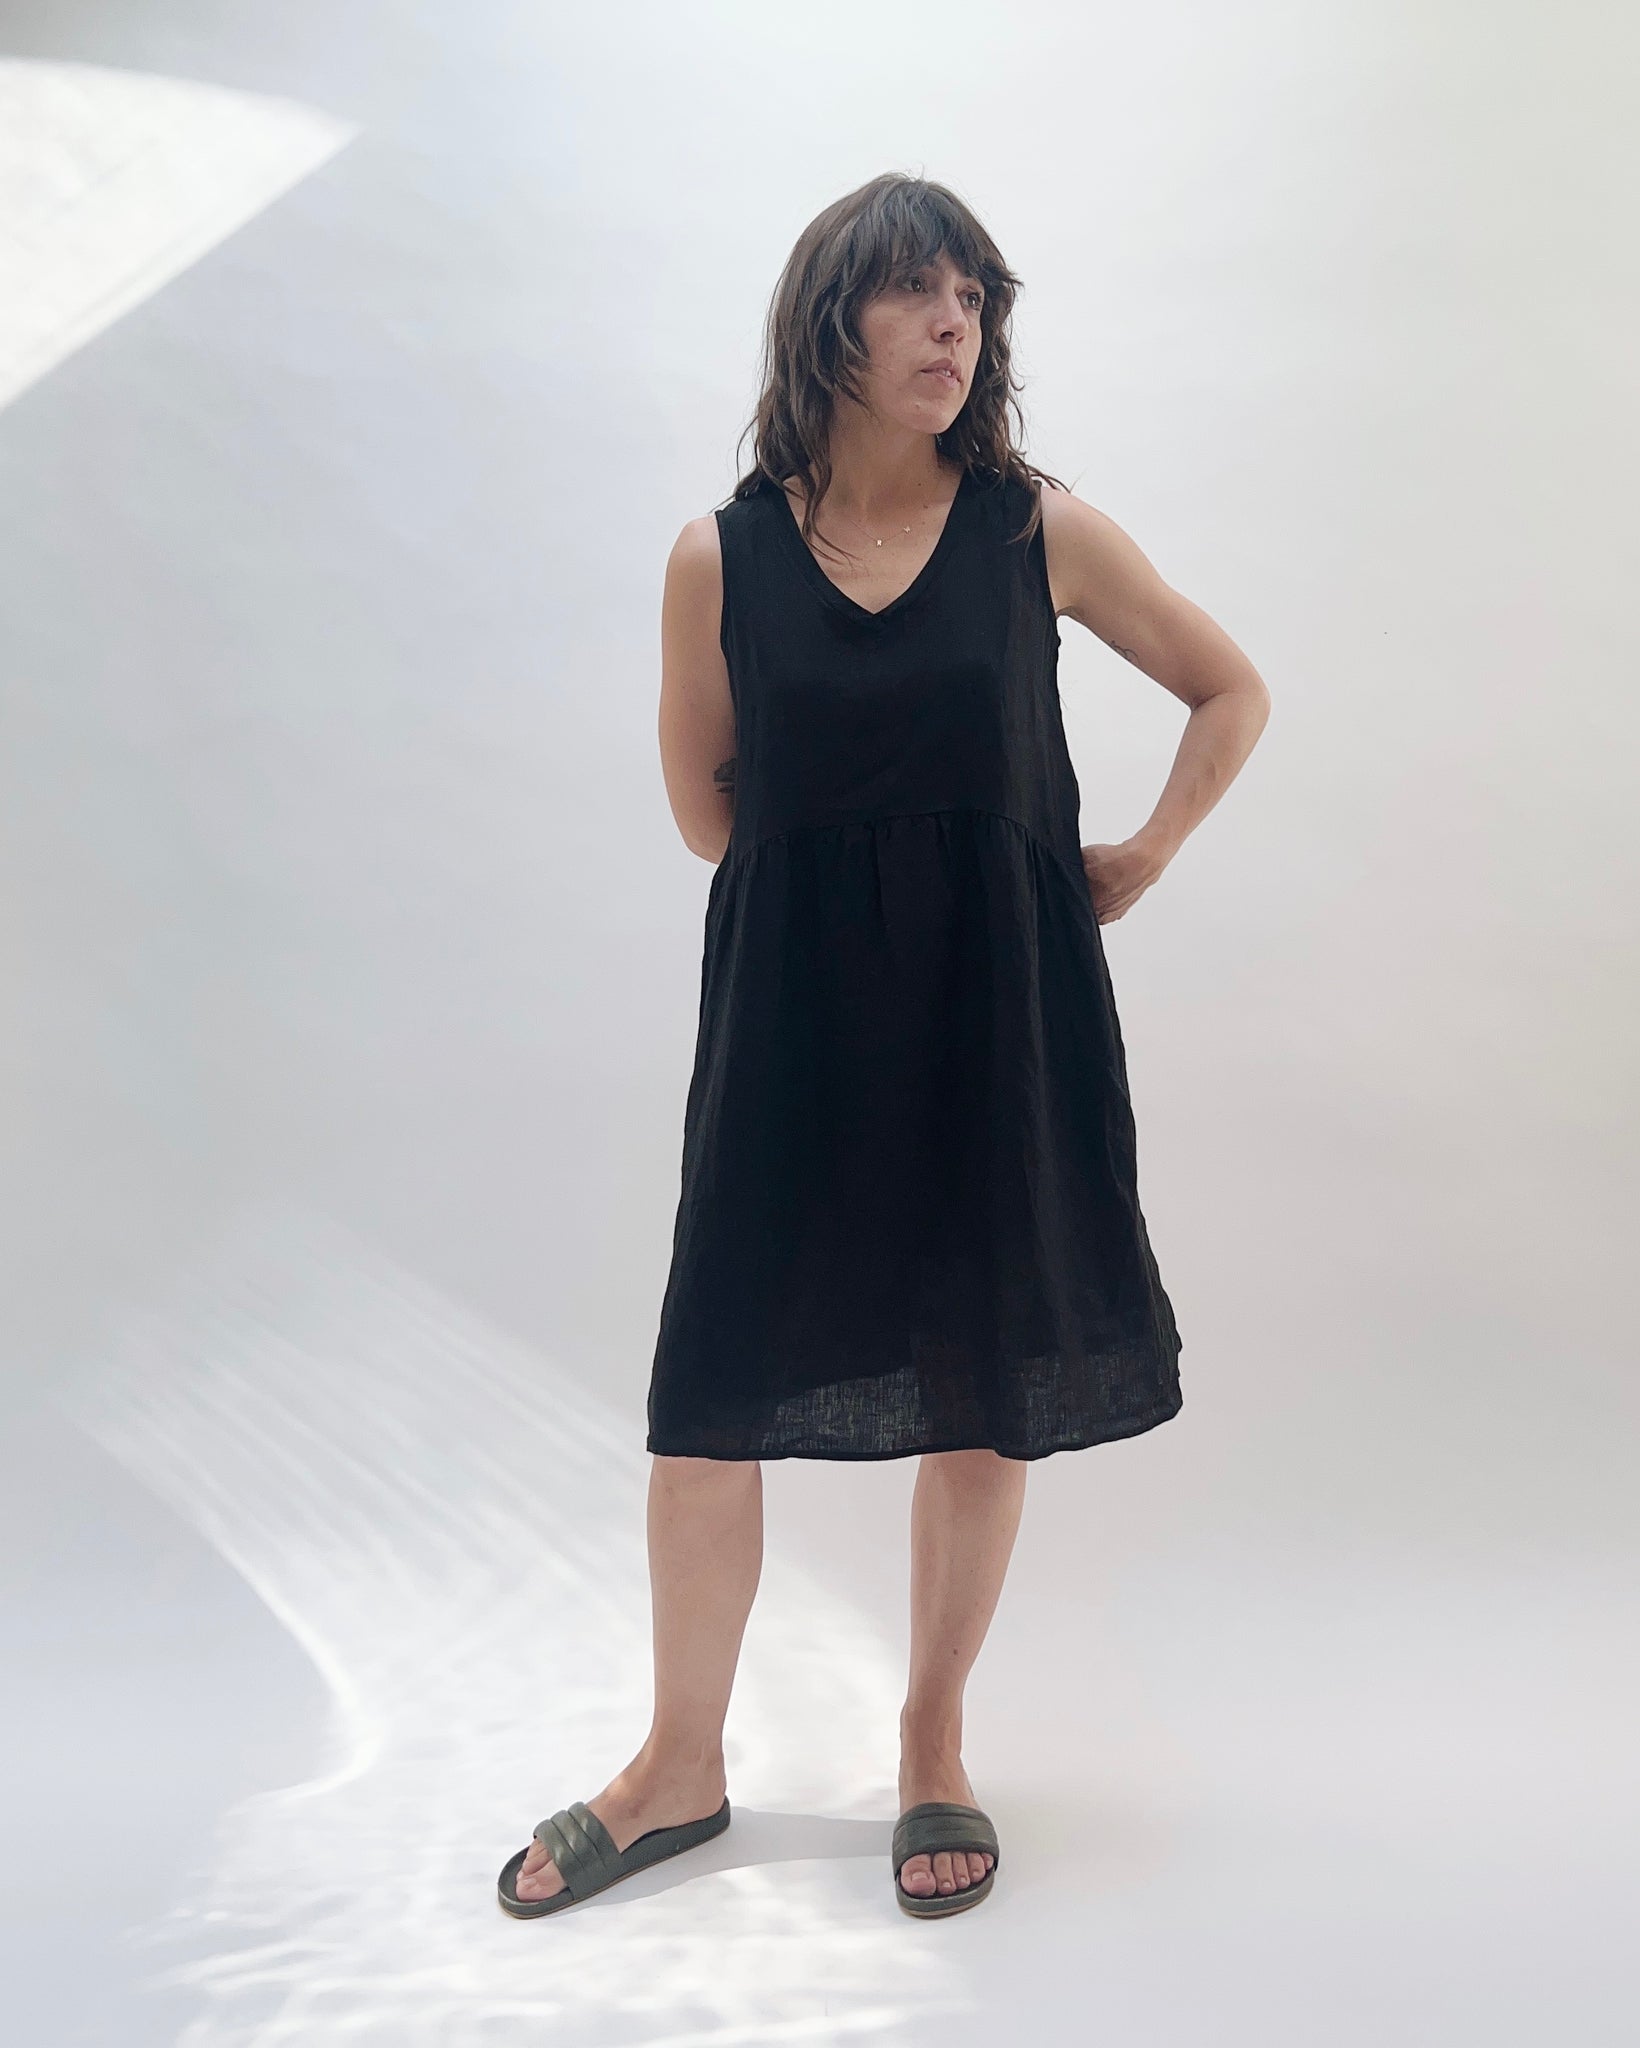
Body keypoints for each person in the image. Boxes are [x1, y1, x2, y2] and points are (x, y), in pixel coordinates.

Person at [497, 172, 1270, 1923]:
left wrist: (1142, 853)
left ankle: (933, 1739)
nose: (954, 326)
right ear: (827, 322)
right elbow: (709, 816)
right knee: (710, 1400)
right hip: (793, 1029)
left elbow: (1231, 684)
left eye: (975, 299)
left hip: (998, 1017)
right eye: (918, 292)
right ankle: (678, 1764)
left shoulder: (1035, 531)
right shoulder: (720, 558)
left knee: (981, 1381)